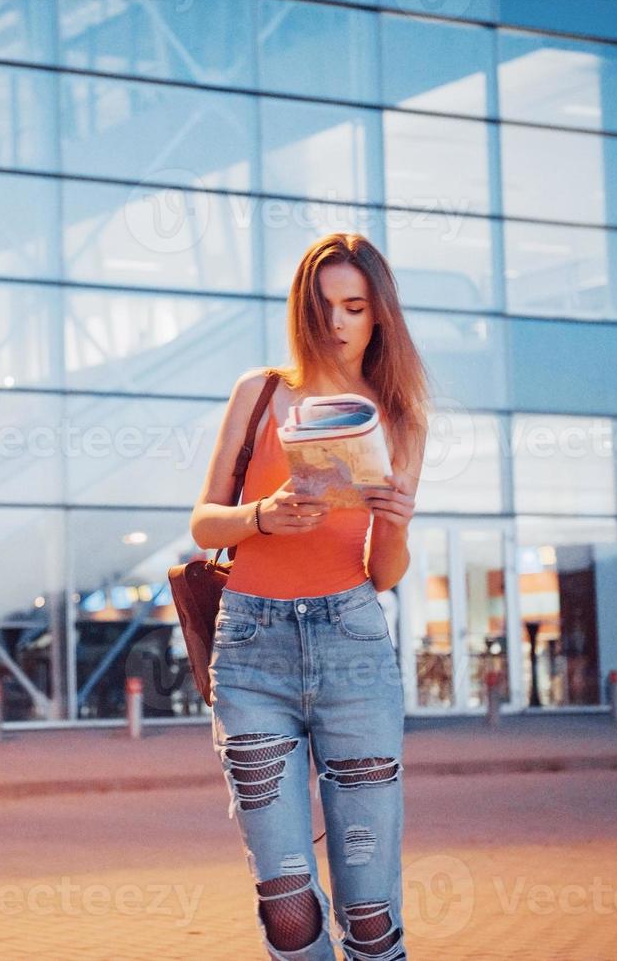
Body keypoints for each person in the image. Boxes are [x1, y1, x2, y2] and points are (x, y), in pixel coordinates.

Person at [190, 233, 430, 960]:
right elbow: (204, 523)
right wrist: (263, 515)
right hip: (252, 653)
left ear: (379, 314)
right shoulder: (260, 391)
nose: (338, 322)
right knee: (288, 909)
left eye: (355, 307)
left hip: (352, 643)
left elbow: (384, 572)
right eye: (324, 306)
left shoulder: (399, 417)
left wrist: (393, 523)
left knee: (369, 913)